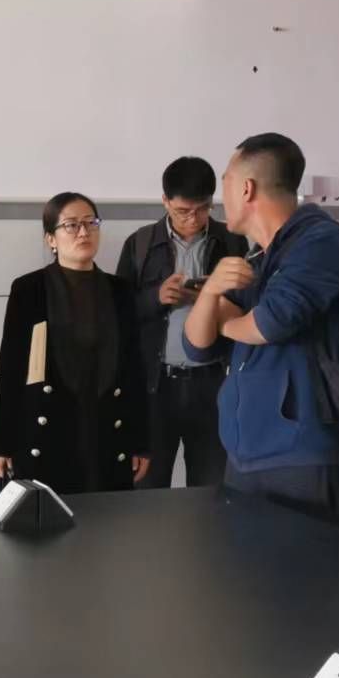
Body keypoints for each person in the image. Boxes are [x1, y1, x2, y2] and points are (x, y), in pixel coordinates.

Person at [182, 133, 339, 527]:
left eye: (225, 181)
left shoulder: (320, 240)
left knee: (305, 567)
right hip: (247, 453)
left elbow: (268, 324)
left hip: (301, 455)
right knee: (246, 566)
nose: (221, 196)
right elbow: (196, 345)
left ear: (246, 188)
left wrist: (224, 320)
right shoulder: (261, 255)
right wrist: (210, 292)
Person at [0, 193, 150, 494]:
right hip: (48, 426)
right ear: (51, 239)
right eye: (71, 225)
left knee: (107, 517)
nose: (83, 232)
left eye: (91, 223)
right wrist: (1, 444)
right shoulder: (29, 289)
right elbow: (10, 370)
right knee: (50, 518)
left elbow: (134, 370)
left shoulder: (120, 290)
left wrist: (140, 442)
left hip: (105, 425)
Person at [116, 156, 246, 488]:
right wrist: (155, 298)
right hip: (156, 386)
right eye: (182, 211)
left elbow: (247, 305)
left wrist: (212, 297)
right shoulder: (141, 244)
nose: (192, 219)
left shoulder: (231, 241)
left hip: (212, 383)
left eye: (202, 210)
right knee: (147, 490)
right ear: (165, 201)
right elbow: (117, 313)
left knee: (211, 490)